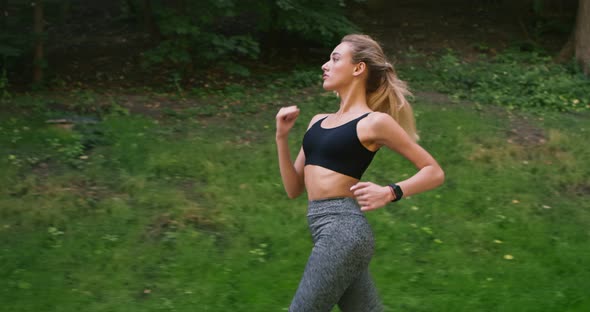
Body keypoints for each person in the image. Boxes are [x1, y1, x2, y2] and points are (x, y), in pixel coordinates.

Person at [275, 34, 445, 312]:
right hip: (323, 229)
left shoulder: (374, 122)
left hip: (343, 230)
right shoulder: (317, 122)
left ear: (358, 68)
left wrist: (390, 192)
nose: (325, 65)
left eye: (335, 58)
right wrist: (281, 137)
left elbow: (434, 171)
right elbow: (294, 188)